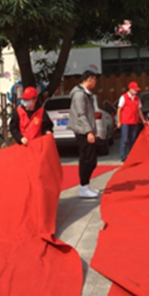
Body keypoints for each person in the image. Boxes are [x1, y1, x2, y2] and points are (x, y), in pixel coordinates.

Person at [68, 70, 101, 199]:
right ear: (89, 79)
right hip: (82, 131)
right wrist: (89, 131)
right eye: (95, 80)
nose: (95, 82)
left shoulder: (86, 94)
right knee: (89, 160)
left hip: (85, 130)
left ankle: (86, 185)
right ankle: (83, 186)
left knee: (88, 159)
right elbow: (81, 115)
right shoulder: (79, 95)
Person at [116, 81, 147, 162]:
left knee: (132, 139)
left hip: (134, 121)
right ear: (130, 89)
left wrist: (143, 120)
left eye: (136, 90)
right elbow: (119, 109)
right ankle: (123, 156)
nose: (135, 91)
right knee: (124, 139)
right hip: (125, 121)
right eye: (134, 89)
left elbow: (139, 110)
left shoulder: (137, 98)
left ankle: (132, 155)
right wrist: (118, 121)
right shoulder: (124, 97)